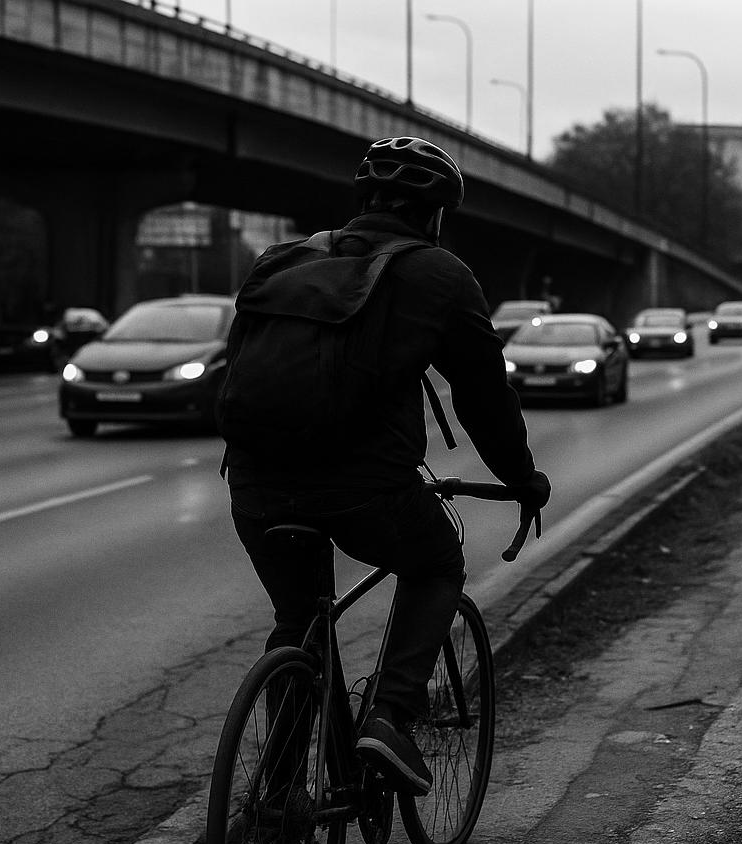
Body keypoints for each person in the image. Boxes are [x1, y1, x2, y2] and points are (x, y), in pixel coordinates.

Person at [224, 137, 549, 795]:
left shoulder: (278, 261)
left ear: (363, 199)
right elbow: (484, 401)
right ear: (434, 215)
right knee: (435, 564)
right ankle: (392, 717)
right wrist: (522, 478)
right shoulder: (439, 275)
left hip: (256, 486)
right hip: (364, 488)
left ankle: (280, 793)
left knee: (298, 622)